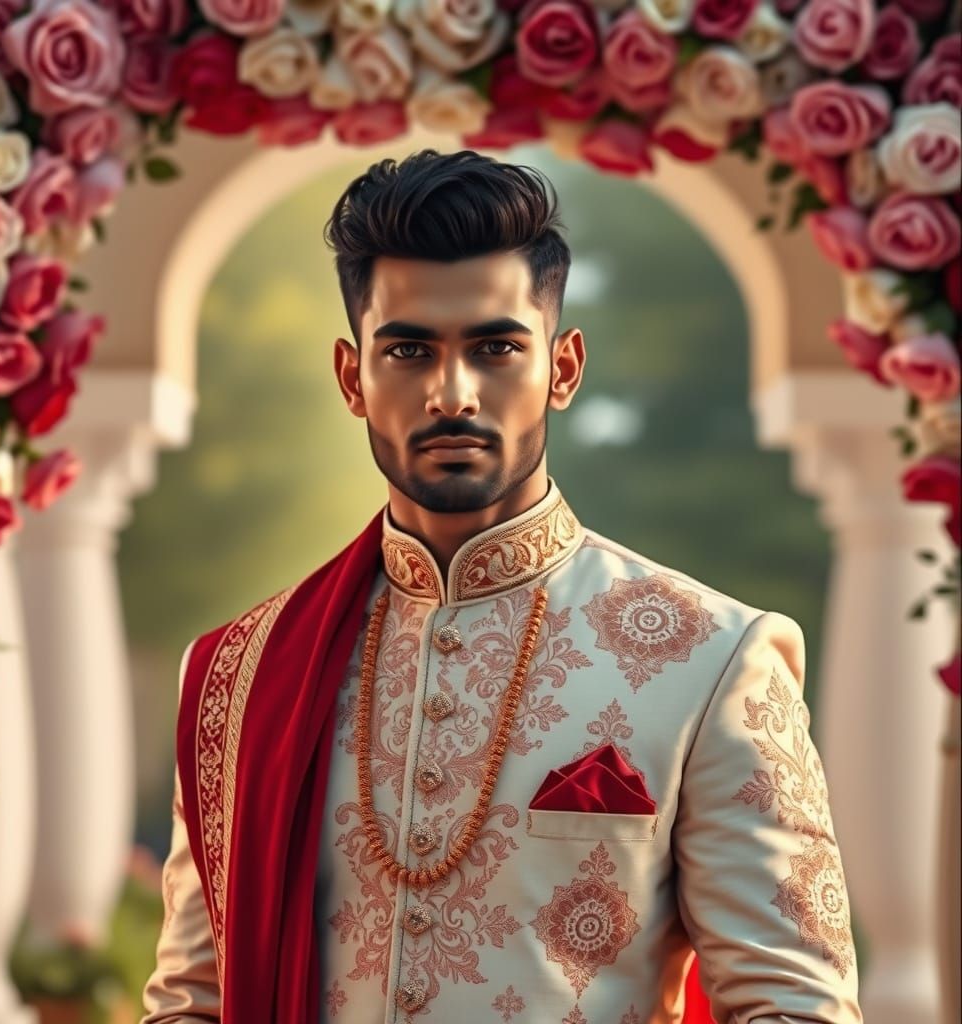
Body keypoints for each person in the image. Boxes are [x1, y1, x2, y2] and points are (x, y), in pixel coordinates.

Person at [141, 149, 862, 1024]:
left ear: (563, 368)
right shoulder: (243, 675)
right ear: (352, 378)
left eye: (496, 348)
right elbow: (193, 1003)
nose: (451, 394)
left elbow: (796, 1007)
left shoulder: (712, 662)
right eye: (409, 350)